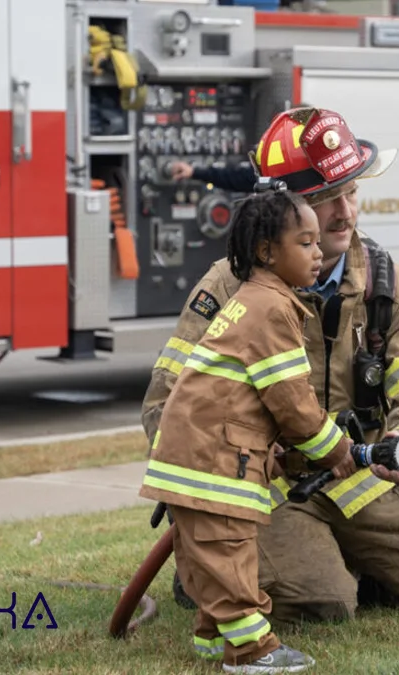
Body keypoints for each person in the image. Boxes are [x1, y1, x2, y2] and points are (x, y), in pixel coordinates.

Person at [141, 106, 399, 634]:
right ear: (280, 210)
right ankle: (211, 567)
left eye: (351, 191)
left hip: (359, 478)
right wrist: (233, 465)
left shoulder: (392, 286)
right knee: (323, 602)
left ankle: (350, 558)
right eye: (322, 199)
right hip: (261, 494)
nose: (344, 212)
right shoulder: (228, 288)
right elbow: (165, 404)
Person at [139, 188, 355, 674]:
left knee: (205, 559)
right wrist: (334, 449)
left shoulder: (249, 300)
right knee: (232, 557)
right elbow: (293, 404)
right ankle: (254, 652)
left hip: (190, 457)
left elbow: (246, 395)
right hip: (213, 461)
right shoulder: (274, 310)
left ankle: (213, 640)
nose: (318, 253)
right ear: (266, 252)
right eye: (305, 243)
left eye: (318, 243)